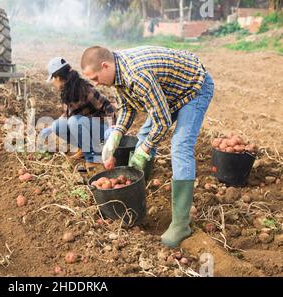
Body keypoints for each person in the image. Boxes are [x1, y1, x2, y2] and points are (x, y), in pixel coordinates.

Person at [80, 46, 215, 248]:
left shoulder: (137, 76)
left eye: (96, 78)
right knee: (143, 135)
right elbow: (127, 107)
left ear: (105, 65)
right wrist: (116, 135)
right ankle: (136, 192)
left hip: (194, 88)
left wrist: (144, 150)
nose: (96, 84)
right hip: (169, 92)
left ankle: (180, 224)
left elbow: (162, 121)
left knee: (180, 147)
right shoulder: (117, 73)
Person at [40, 57, 116, 173]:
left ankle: (94, 159)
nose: (53, 82)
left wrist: (113, 129)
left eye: (53, 79)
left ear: (58, 77)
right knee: (58, 125)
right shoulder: (68, 91)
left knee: (75, 121)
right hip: (88, 129)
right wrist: (51, 128)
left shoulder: (84, 89)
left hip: (103, 133)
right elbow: (66, 115)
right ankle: (84, 148)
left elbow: (107, 106)